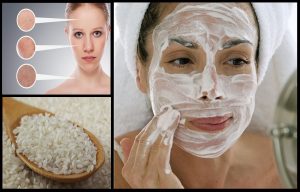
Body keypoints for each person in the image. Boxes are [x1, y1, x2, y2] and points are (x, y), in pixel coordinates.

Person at [114, 3, 294, 188]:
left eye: (236, 61)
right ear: (140, 73)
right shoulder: (104, 172)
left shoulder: (289, 169)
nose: (212, 91)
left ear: (258, 70)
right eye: (182, 60)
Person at [47, 3, 110, 94]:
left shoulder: (118, 93)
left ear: (108, 33)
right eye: (79, 34)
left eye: (97, 33)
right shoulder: (53, 94)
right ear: (67, 34)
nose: (88, 47)